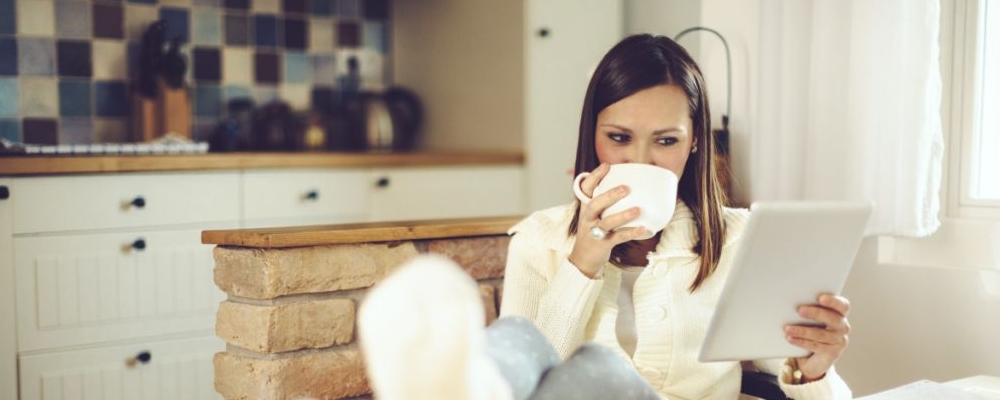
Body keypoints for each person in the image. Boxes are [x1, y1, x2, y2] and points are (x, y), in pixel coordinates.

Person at [499, 33, 854, 399]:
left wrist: (814, 370)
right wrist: (581, 265)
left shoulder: (739, 241)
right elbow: (518, 387)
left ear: (694, 140)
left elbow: (799, 375)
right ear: (592, 135)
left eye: (666, 141)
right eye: (619, 137)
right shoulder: (538, 242)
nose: (641, 160)